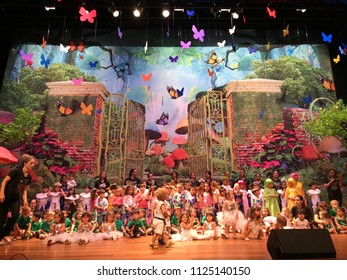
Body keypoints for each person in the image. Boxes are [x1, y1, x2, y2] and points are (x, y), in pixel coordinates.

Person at [0, 154, 35, 246]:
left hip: (15, 199)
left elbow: (24, 189)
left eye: (33, 163)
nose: (33, 165)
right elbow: (4, 181)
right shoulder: (16, 171)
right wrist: (1, 193)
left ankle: (4, 234)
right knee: (2, 218)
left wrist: (25, 199)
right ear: (25, 163)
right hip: (6, 197)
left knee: (15, 216)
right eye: (31, 163)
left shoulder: (28, 177)